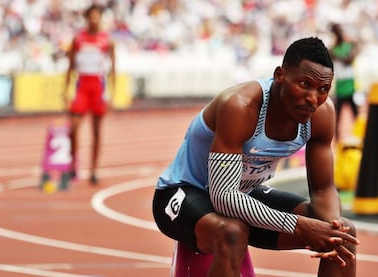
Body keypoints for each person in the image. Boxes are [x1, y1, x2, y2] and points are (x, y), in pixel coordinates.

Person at [152, 37, 359, 277]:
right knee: (232, 232)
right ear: (280, 75)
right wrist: (299, 225)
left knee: (344, 235)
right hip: (185, 192)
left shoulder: (321, 115)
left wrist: (330, 230)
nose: (313, 98)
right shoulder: (241, 106)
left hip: (242, 192)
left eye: (323, 89)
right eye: (304, 84)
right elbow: (223, 197)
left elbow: (323, 189)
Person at [63, 4, 116, 184]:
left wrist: (111, 92)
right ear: (87, 18)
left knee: (96, 132)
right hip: (82, 88)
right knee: (73, 128)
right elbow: (70, 66)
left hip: (98, 90)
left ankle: (94, 170)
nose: (94, 20)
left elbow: (113, 69)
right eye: (91, 16)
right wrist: (66, 89)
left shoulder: (107, 40)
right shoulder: (78, 39)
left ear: (100, 18)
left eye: (97, 17)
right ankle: (72, 165)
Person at [330, 23, 359, 140]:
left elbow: (349, 59)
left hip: (348, 83)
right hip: (341, 83)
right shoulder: (335, 49)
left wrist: (337, 55)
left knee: (353, 111)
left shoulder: (347, 46)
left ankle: (360, 132)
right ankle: (336, 138)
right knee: (339, 113)